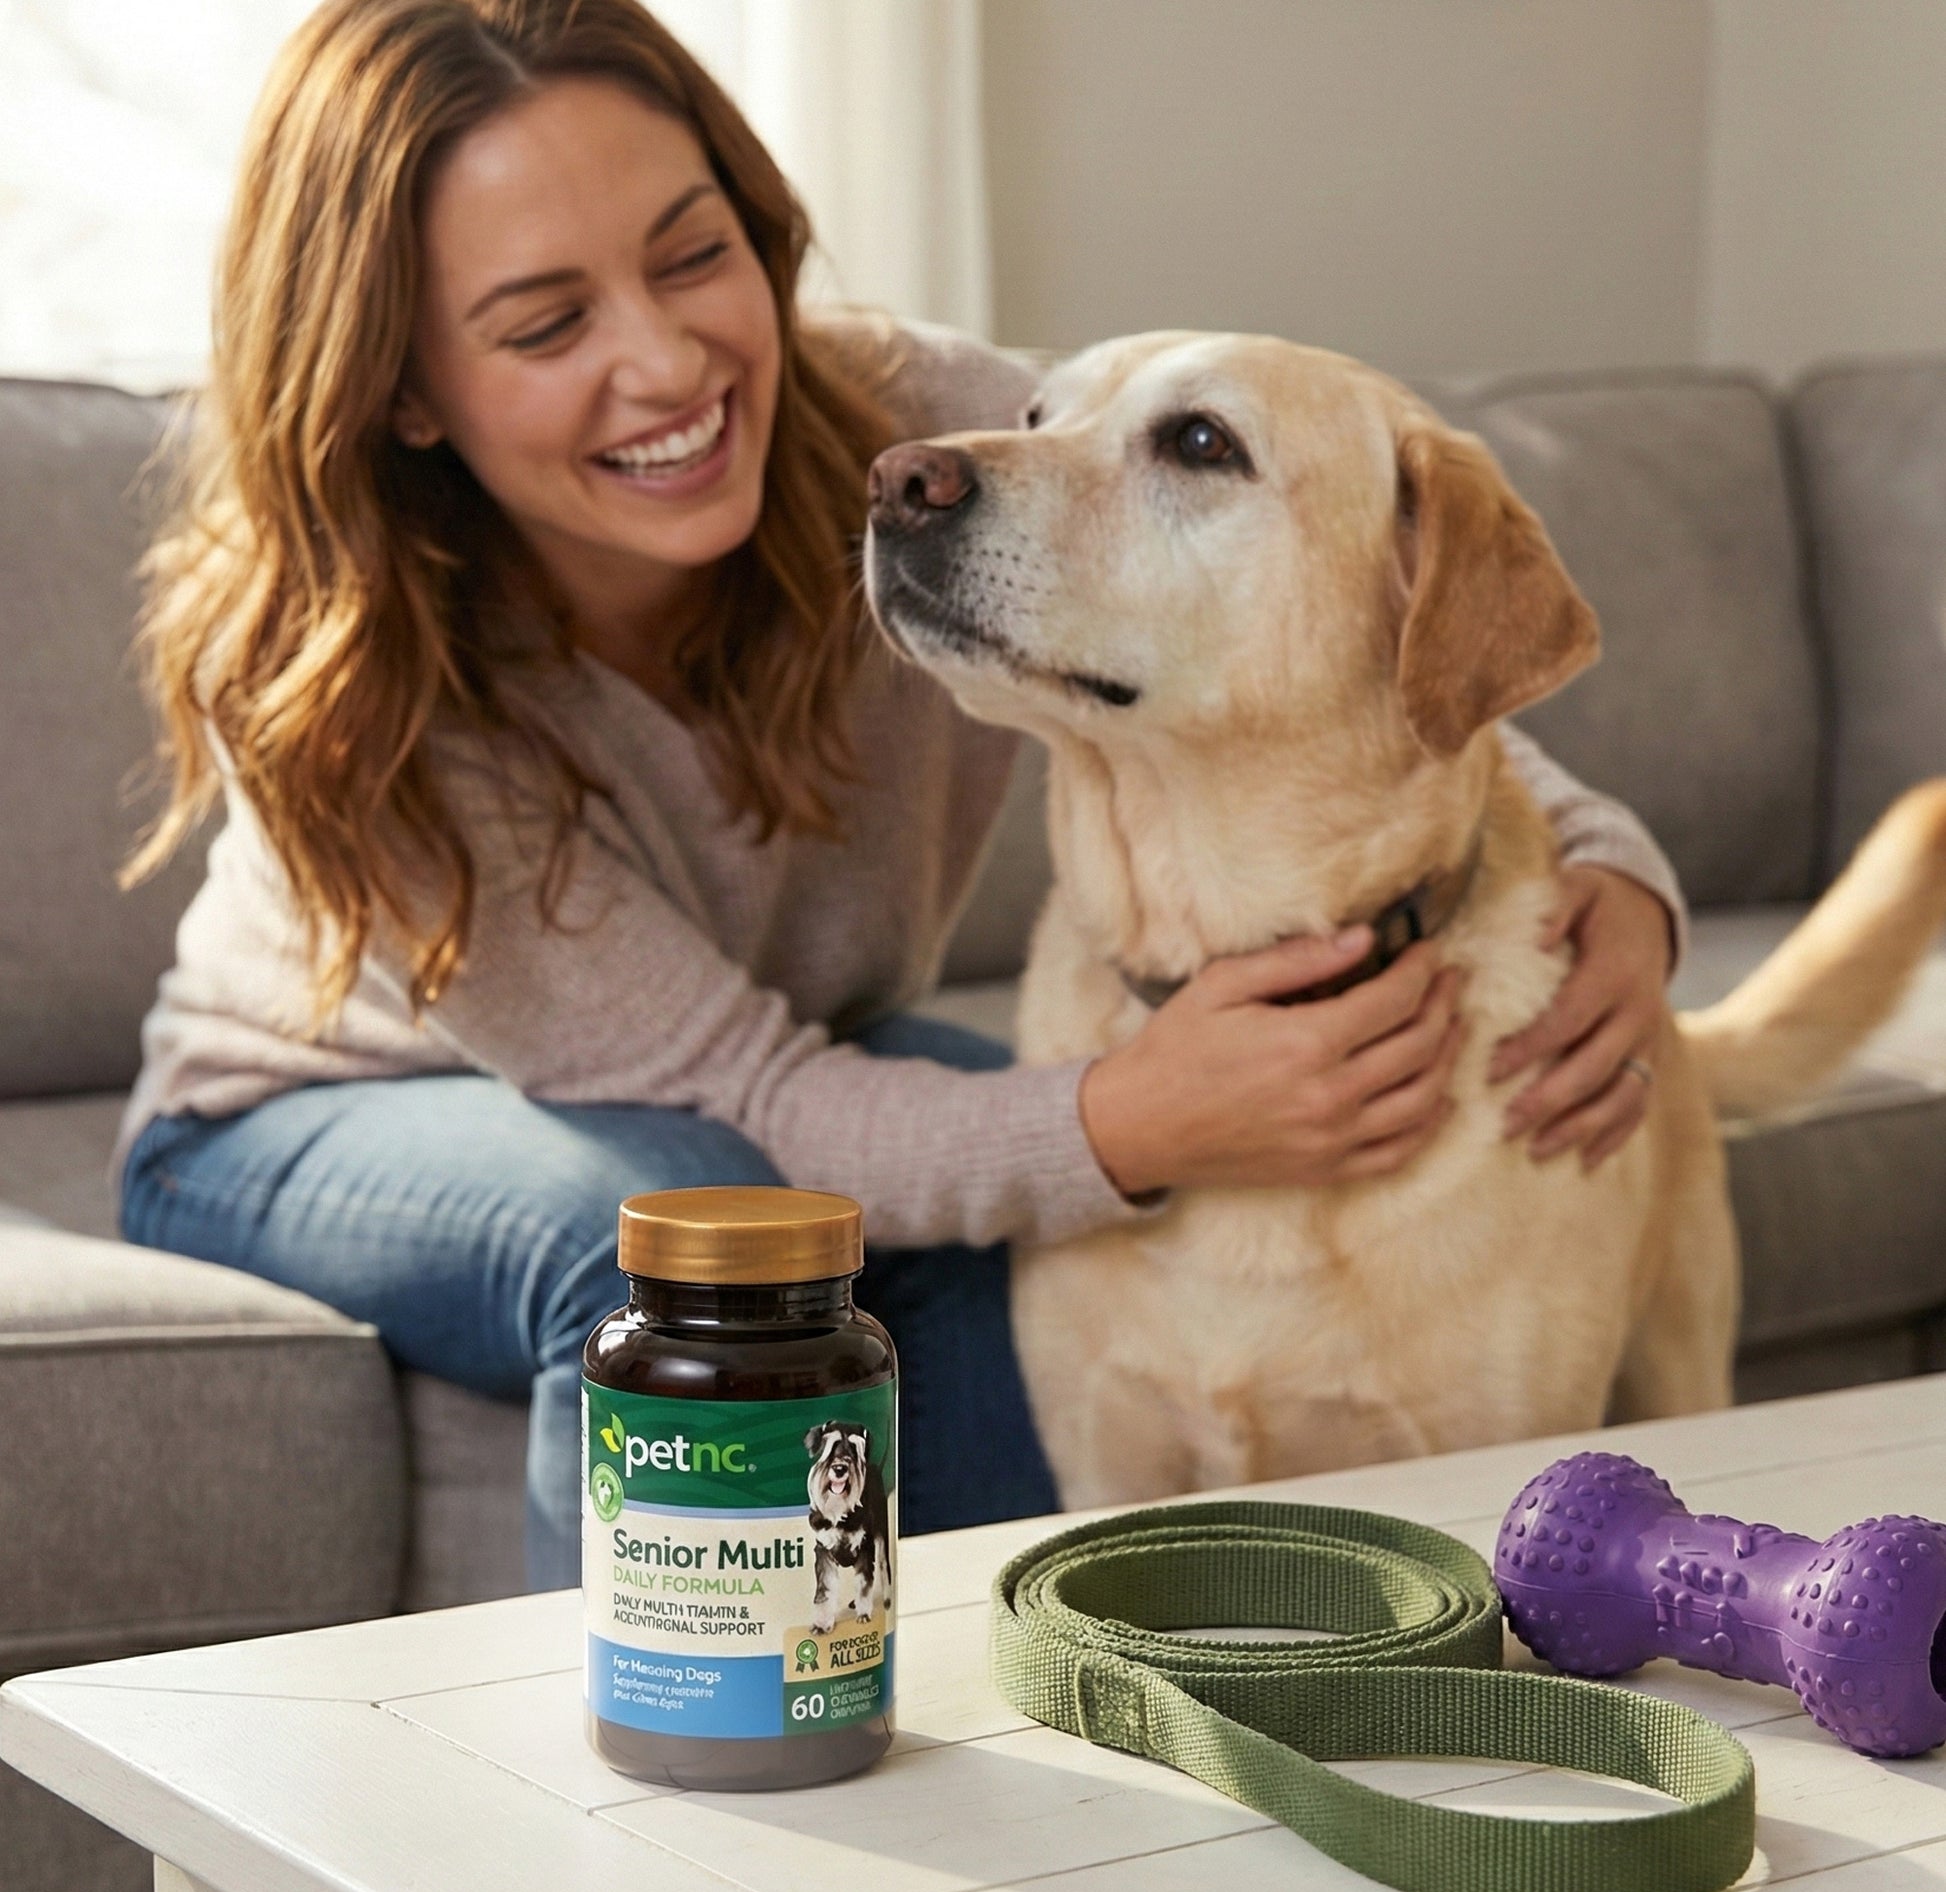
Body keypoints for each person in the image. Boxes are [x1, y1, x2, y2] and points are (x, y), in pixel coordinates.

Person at [117, 0, 1684, 1589]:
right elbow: (739, 1100)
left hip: (772, 1058)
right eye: (543, 325)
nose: (664, 362)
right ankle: (647, 1719)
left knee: (1011, 1199)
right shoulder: (348, 687)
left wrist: (1608, 867)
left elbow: (1338, 641)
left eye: (691, 256)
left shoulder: (932, 437)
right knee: (677, 1241)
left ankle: (1023, 1682)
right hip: (304, 1115)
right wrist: (1127, 1114)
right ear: (405, 388)